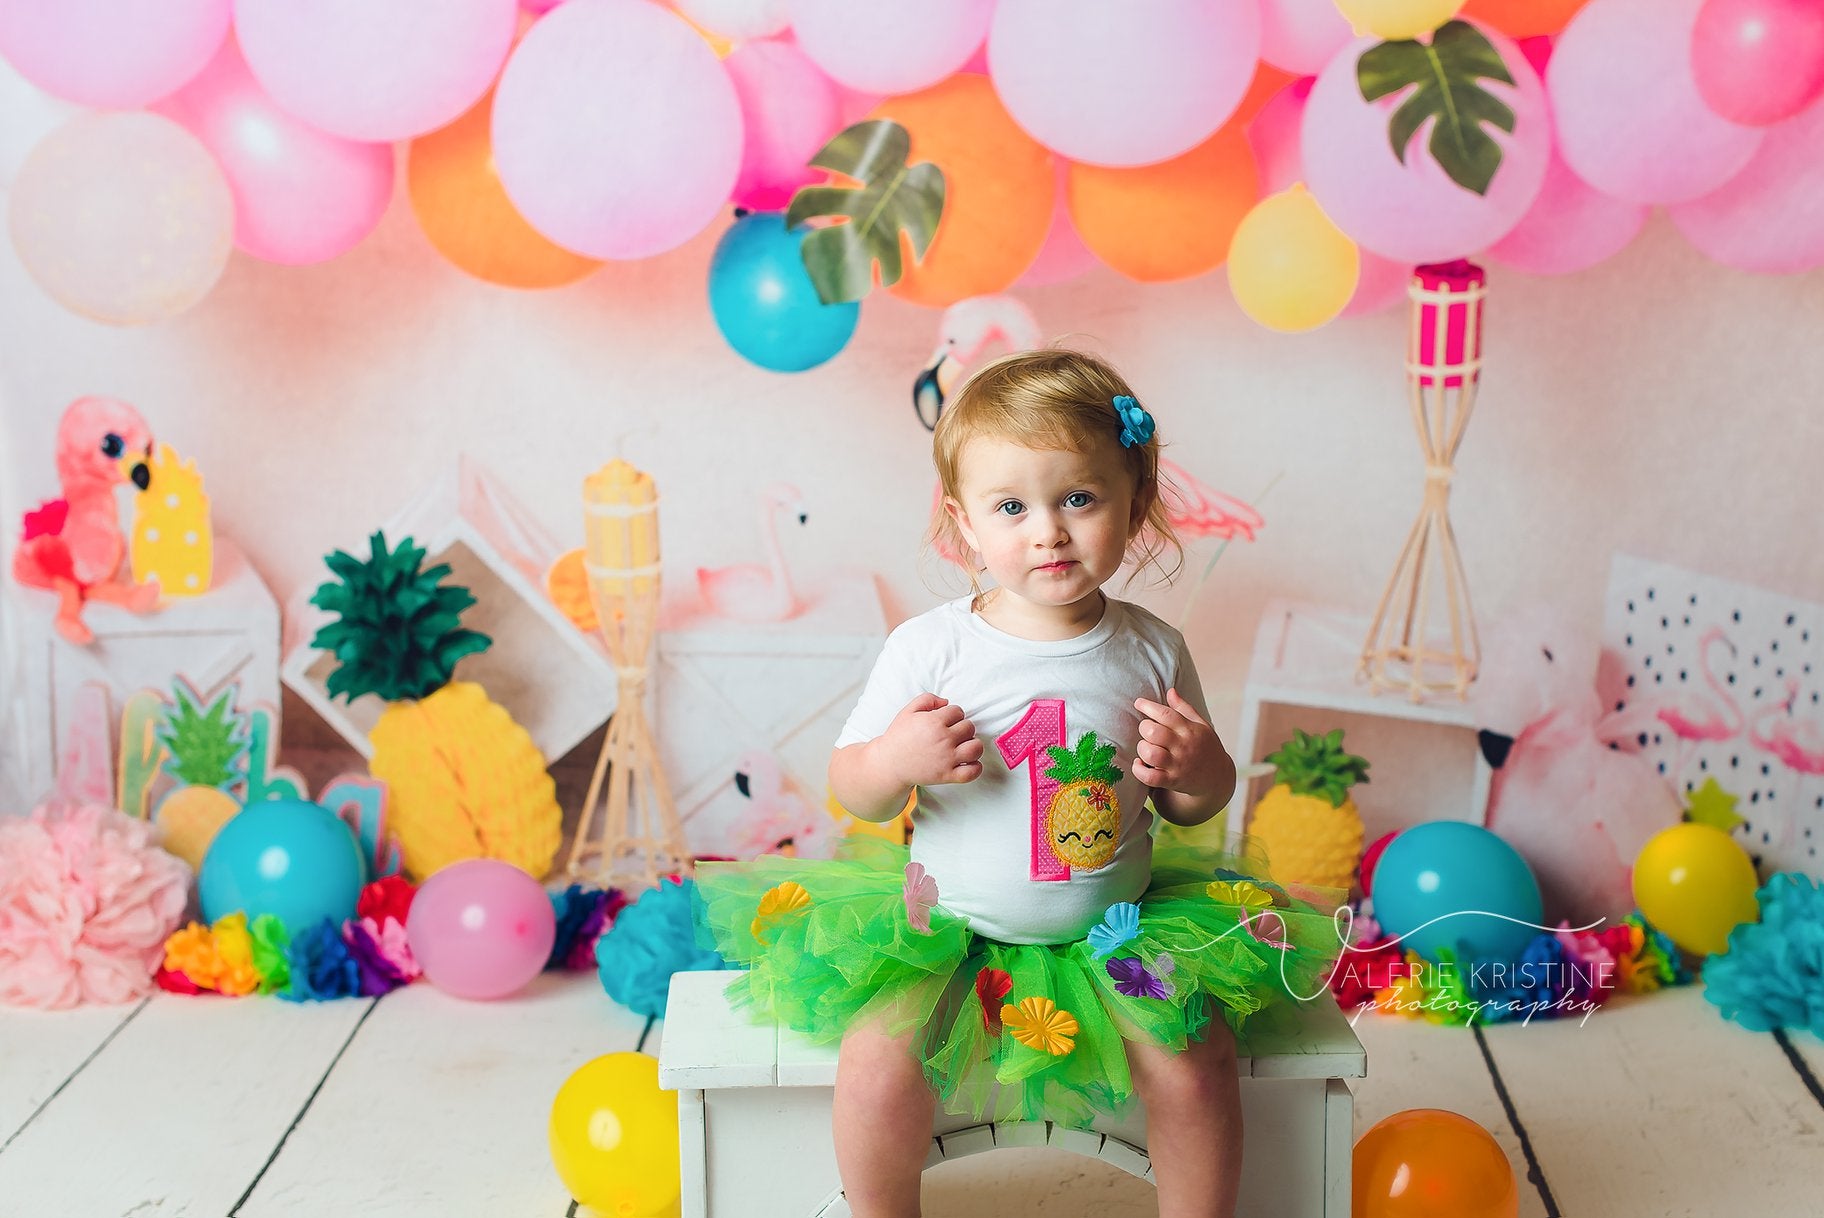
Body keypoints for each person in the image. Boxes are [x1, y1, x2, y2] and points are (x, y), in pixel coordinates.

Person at [696, 348, 1339, 1218]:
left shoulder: (1151, 646)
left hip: (1121, 934)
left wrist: (1198, 770)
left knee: (1193, 1059)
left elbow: (1195, 802)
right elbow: (857, 786)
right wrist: (894, 760)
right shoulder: (932, 648)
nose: (1048, 530)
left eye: (1079, 497)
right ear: (965, 525)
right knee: (879, 1067)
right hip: (946, 931)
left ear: (1133, 500)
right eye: (1012, 507)